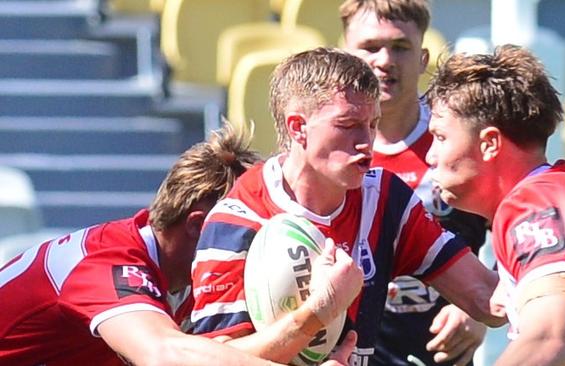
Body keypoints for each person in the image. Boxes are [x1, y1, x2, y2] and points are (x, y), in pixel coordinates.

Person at [190, 47, 504, 366]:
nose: (366, 142)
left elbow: (487, 298)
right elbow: (214, 360)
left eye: (372, 124)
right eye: (347, 124)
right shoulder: (238, 219)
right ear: (298, 127)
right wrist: (318, 313)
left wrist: (528, 221)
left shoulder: (384, 198)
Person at [0, 123, 358, 366]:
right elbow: (165, 355)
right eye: (245, 233)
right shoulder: (107, 262)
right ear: (199, 226)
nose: (250, 252)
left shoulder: (180, 284)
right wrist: (316, 313)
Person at [425, 44, 565, 365]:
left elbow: (548, 339)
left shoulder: (533, 204)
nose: (430, 156)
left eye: (441, 137)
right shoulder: (558, 190)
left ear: (489, 143)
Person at [340, 1, 488, 364]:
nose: (385, 60)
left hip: (444, 353)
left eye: (400, 47)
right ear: (344, 55)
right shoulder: (326, 147)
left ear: (423, 59)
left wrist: (479, 308)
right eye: (371, 47)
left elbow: (510, 223)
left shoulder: (458, 138)